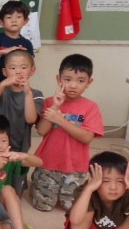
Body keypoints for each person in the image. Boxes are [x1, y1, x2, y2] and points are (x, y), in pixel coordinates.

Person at [31, 54, 103, 212]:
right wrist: (56, 106)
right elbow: (42, 130)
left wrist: (61, 120)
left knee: (70, 207)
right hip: (48, 164)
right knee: (43, 206)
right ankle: (39, 183)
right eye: (68, 79)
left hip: (76, 168)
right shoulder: (49, 102)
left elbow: (86, 138)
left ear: (89, 82)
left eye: (81, 81)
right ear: (59, 79)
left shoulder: (91, 107)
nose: (73, 85)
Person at [0, 49, 44, 193]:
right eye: (12, 68)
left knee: (16, 186)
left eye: (23, 67)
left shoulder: (36, 94)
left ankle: (17, 189)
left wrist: (27, 93)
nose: (18, 72)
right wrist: (3, 84)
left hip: (20, 145)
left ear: (32, 70)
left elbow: (31, 119)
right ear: (4, 72)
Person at [0, 0, 34, 91]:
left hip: (18, 86)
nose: (14, 20)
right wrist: (3, 51)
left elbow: (30, 66)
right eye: (9, 17)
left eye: (18, 17)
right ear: (1, 22)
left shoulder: (27, 43)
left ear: (25, 21)